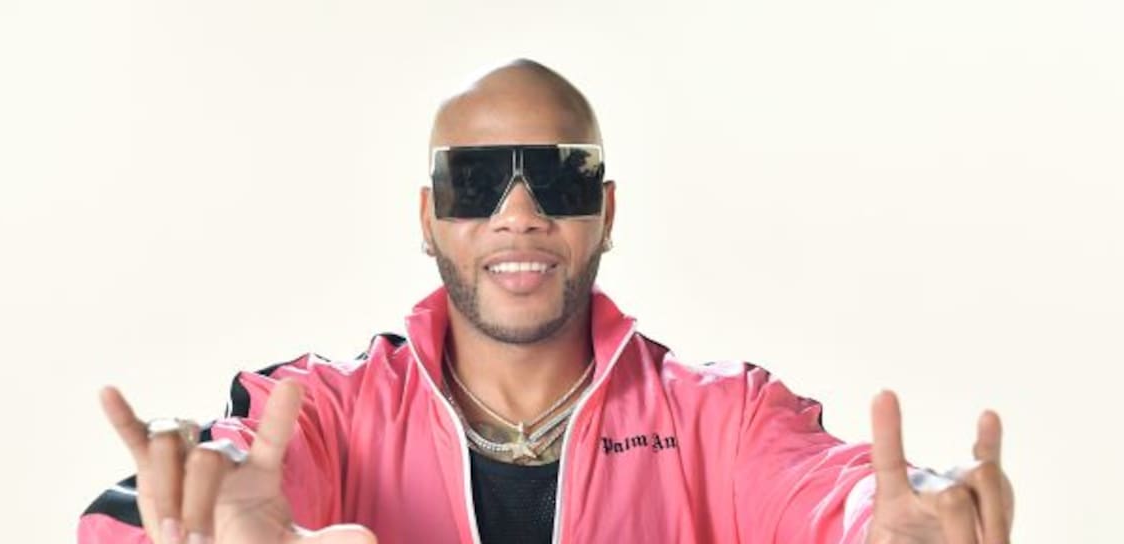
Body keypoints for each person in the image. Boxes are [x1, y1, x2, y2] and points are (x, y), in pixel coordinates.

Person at [79, 59, 1015, 544]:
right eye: (477, 181)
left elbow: (827, 494)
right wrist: (189, 518)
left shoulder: (723, 417)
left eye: (559, 177)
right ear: (428, 218)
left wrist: (885, 525)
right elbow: (201, 486)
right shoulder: (321, 408)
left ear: (606, 212)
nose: (518, 213)